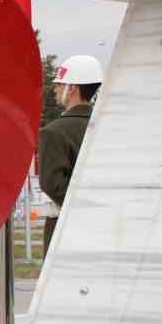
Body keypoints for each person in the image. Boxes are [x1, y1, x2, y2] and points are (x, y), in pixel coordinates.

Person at [39, 54, 102, 251]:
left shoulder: (54, 132)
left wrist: (83, 209)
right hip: (102, 227)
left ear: (71, 88)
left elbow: (52, 184)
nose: (55, 89)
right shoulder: (107, 125)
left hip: (64, 228)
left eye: (59, 84)